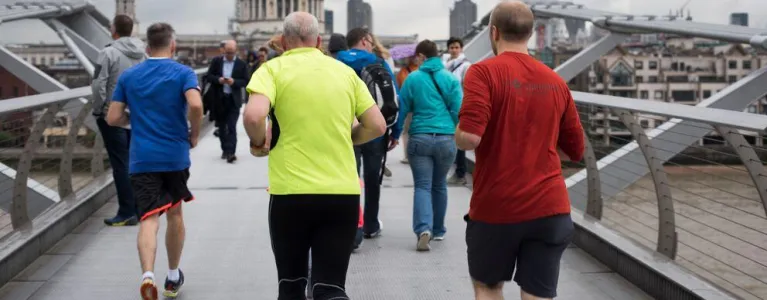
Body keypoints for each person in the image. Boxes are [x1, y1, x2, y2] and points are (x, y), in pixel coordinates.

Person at [243, 12, 385, 300]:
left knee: (292, 285)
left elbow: (254, 115)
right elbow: (377, 125)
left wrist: (260, 142)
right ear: (319, 41)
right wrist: (350, 137)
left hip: (290, 195)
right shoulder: (344, 72)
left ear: (283, 41)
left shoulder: (271, 70)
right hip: (341, 193)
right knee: (330, 287)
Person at [455, 1, 584, 299]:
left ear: (494, 32)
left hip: (497, 207)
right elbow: (574, 150)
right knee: (537, 293)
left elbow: (471, 138)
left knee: (488, 287)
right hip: (550, 208)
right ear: (530, 32)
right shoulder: (555, 81)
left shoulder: (483, 73)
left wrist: (457, 133)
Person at [106, 22, 203, 300]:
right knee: (174, 214)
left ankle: (147, 274)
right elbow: (195, 105)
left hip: (142, 157)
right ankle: (172, 277)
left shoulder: (129, 75)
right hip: (174, 155)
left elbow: (112, 118)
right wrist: (193, 134)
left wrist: (133, 120)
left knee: (148, 218)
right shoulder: (183, 72)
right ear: (173, 45)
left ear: (147, 48)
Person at [391, 40, 462, 251]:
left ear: (421, 57)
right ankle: (439, 230)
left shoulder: (413, 79)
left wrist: (395, 135)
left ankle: (424, 229)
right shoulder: (451, 79)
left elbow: (402, 110)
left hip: (420, 136)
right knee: (439, 184)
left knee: (422, 185)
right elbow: (459, 110)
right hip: (445, 137)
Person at [336, 27, 400, 243]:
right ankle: (371, 225)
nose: (372, 45)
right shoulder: (378, 63)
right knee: (373, 179)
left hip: (345, 128)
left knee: (349, 180)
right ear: (364, 41)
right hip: (374, 129)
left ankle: (352, 227)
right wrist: (394, 131)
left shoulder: (336, 63)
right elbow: (394, 98)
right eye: (371, 41)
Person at [91, 14, 146, 226]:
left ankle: (126, 212)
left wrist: (100, 109)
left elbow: (99, 84)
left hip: (113, 114)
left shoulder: (108, 52)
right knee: (135, 162)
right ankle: (141, 209)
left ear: (113, 30)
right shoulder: (142, 54)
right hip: (137, 114)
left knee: (120, 163)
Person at [205, 40, 249, 163]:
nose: (229, 55)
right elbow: (209, 76)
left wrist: (234, 82)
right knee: (222, 127)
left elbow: (246, 81)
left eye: (232, 53)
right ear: (224, 50)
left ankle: (231, 153)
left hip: (233, 100)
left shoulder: (241, 64)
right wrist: (219, 80)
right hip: (219, 99)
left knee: (232, 127)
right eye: (228, 52)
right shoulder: (216, 62)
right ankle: (225, 149)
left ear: (236, 51)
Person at [443, 37, 472, 186]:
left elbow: (467, 87)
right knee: (453, 139)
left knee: (459, 141)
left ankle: (460, 173)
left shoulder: (466, 66)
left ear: (461, 48)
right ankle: (457, 171)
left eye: (456, 47)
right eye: (451, 47)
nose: (454, 50)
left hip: (460, 107)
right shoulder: (446, 65)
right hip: (449, 107)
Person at [394, 45, 419, 165]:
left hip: (409, 106)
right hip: (418, 106)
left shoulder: (403, 72)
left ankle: (408, 156)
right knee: (413, 131)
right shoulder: (421, 69)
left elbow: (399, 89)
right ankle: (413, 154)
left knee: (407, 131)